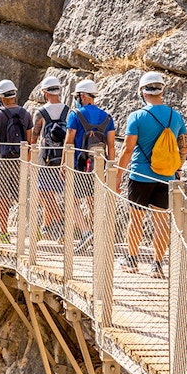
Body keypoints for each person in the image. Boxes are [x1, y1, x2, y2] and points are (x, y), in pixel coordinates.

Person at [116, 71, 187, 278]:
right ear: (162, 90)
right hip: (166, 177)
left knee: (136, 219)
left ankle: (131, 259)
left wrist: (118, 175)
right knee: (161, 220)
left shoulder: (137, 116)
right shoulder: (176, 116)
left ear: (142, 91)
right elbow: (184, 147)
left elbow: (127, 150)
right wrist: (177, 169)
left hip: (140, 175)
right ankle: (157, 264)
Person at [64, 78, 115, 253]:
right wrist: (110, 168)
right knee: (93, 201)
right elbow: (111, 145)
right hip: (99, 166)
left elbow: (69, 141)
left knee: (72, 201)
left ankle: (86, 233)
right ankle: (96, 235)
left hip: (79, 164)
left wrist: (64, 163)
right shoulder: (107, 117)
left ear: (83, 96)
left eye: (78, 96)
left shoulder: (75, 115)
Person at [0, 79, 31, 239]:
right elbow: (29, 142)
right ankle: (32, 229)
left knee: (2, 197)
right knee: (22, 196)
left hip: (2, 161)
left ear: (1, 96)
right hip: (20, 161)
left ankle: (3, 232)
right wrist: (28, 163)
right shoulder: (26, 114)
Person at [29, 76, 69, 237]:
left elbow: (34, 136)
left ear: (45, 92)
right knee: (51, 192)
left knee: (44, 192)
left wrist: (30, 157)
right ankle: (46, 227)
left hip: (45, 158)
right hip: (64, 157)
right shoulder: (67, 110)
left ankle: (60, 222)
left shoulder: (41, 112)